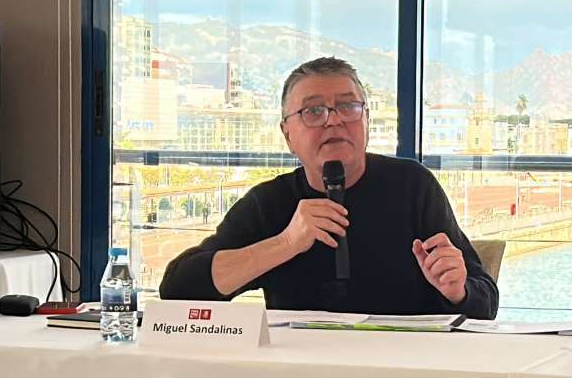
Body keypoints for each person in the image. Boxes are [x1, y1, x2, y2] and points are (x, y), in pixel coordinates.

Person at [159, 57, 498, 319]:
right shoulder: (269, 202)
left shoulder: (412, 185)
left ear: (366, 120)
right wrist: (284, 243)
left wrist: (458, 291)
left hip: (405, 371)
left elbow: (486, 300)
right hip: (300, 376)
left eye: (348, 107)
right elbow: (178, 290)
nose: (334, 120)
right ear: (287, 134)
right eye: (313, 111)